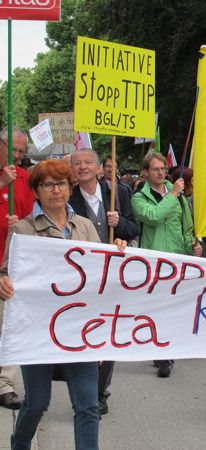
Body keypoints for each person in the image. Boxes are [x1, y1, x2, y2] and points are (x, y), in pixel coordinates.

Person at [0, 159, 127, 450]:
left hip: (79, 330)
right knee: (36, 403)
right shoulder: (22, 229)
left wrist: (119, 249)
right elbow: (7, 271)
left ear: (69, 188)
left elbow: (102, 270)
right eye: (47, 184)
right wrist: (3, 281)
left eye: (61, 184)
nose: (55, 190)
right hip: (38, 331)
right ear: (37, 190)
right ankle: (19, 443)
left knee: (87, 405)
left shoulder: (84, 227)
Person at [69, 148, 139, 415]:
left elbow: (134, 230)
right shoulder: (68, 197)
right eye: (78, 163)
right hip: (81, 278)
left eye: (88, 162)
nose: (83, 167)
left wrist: (119, 222)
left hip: (113, 276)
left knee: (108, 333)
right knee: (82, 332)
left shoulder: (119, 194)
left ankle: (99, 393)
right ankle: (82, 391)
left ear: (100, 169)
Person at [132, 152, 202, 378]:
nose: (161, 173)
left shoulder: (178, 195)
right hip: (153, 260)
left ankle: (167, 349)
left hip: (177, 259)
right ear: (146, 172)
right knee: (156, 307)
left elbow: (185, 227)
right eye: (155, 169)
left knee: (173, 307)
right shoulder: (139, 197)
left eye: (163, 169)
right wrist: (172, 194)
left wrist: (192, 245)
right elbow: (153, 216)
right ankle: (160, 353)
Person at [0, 128, 35, 410]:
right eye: (13, 150)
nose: (17, 156)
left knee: (7, 327)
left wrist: (19, 226)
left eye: (22, 151)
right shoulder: (6, 178)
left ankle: (5, 385)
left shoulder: (26, 179)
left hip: (9, 267)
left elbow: (33, 217)